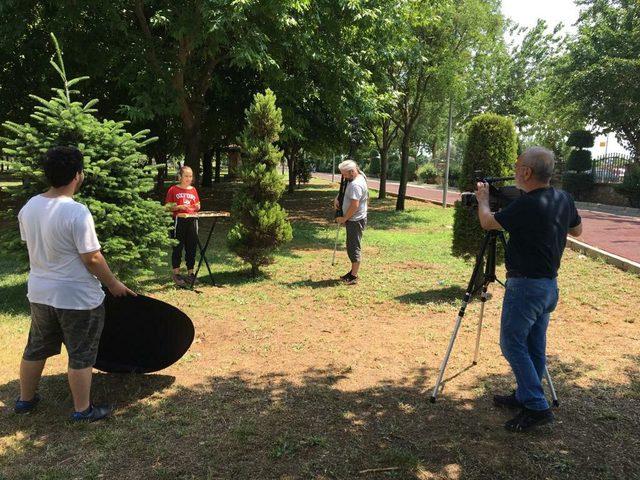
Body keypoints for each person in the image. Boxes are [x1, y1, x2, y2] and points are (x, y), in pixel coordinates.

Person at [16, 146, 135, 422]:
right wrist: (114, 284)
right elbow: (92, 258)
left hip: (40, 293)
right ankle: (83, 410)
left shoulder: (29, 207)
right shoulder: (77, 212)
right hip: (77, 298)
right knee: (81, 353)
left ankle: (25, 400)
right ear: (78, 175)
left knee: (35, 347)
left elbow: (34, 245)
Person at [476, 146, 582, 432]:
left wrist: (483, 199)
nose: (513, 169)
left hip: (525, 285)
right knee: (535, 344)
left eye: (517, 165)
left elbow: (488, 223)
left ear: (526, 172)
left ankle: (536, 405)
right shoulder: (563, 198)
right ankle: (525, 394)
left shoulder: (527, 204)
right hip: (549, 286)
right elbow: (577, 231)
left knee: (511, 343)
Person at [165, 166, 201, 287]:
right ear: (180, 176)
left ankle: (191, 274)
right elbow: (168, 207)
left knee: (191, 247)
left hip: (192, 221)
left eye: (190, 176)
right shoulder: (173, 189)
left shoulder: (193, 190)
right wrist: (179, 207)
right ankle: (176, 273)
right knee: (178, 247)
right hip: (178, 221)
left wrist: (196, 207)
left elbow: (198, 204)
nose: (188, 178)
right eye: (186, 176)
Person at [334, 159, 368, 285]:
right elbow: (344, 189)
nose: (343, 176)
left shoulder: (356, 185)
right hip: (354, 218)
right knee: (351, 245)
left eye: (345, 174)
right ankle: (352, 273)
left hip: (355, 220)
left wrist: (344, 218)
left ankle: (353, 276)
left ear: (352, 172)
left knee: (353, 246)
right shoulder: (356, 177)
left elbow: (354, 205)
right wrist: (337, 199)